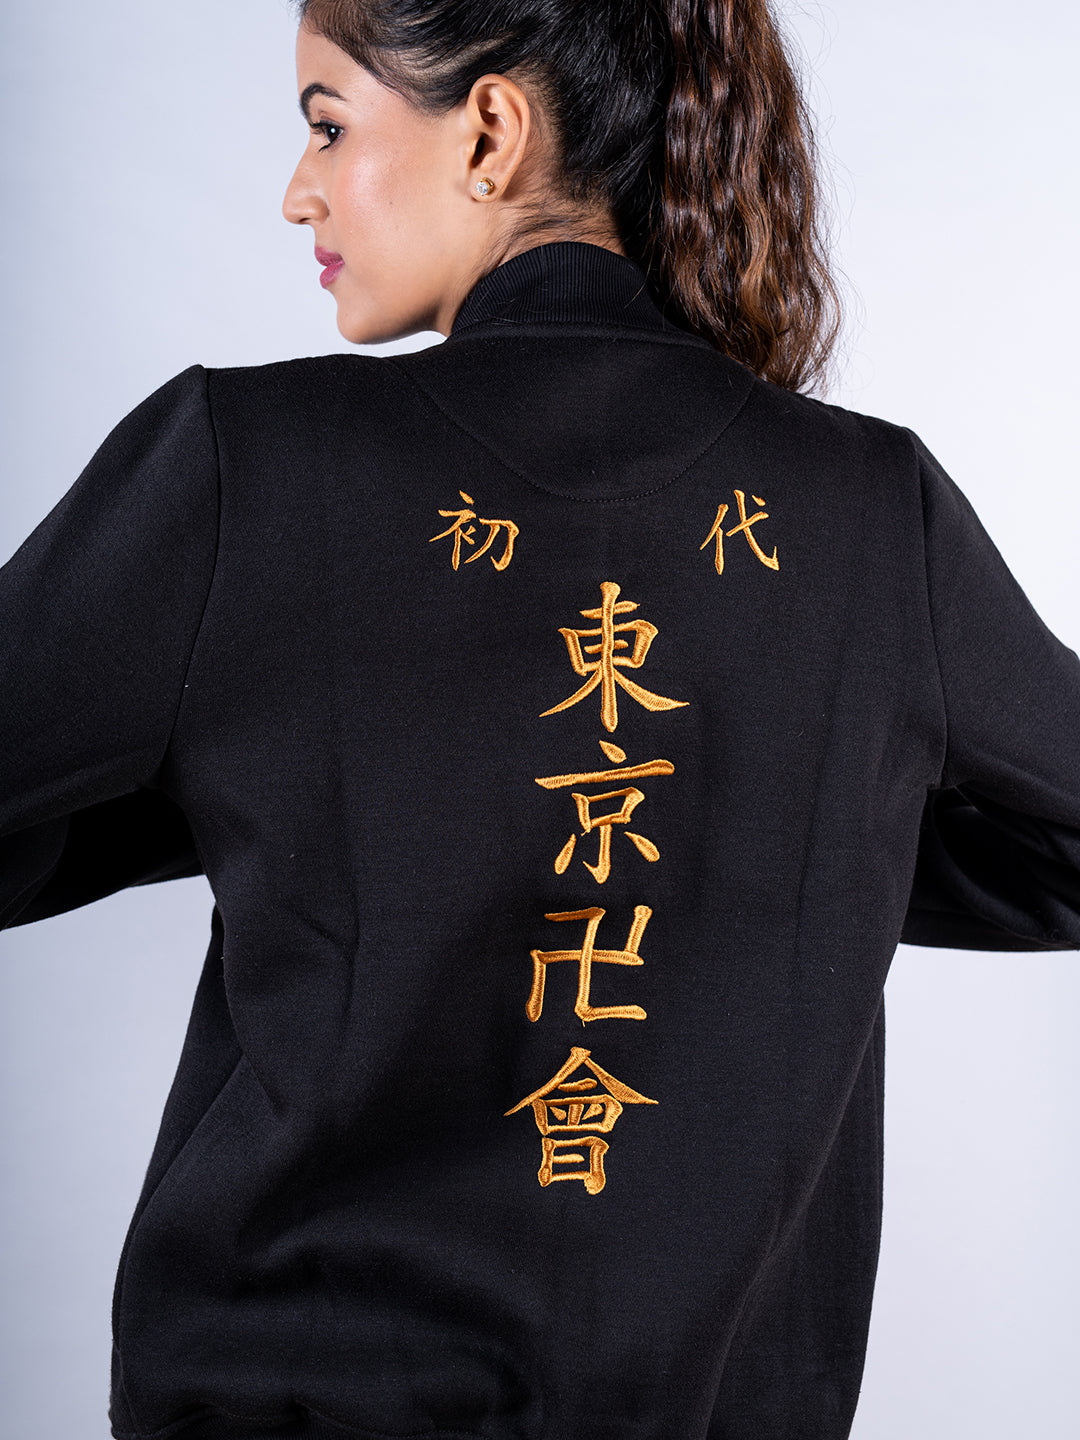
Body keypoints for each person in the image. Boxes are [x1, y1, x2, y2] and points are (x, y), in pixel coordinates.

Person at [1, 2, 1077, 1439]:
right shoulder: (873, 512)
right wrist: (777, 841)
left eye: (327, 124)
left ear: (492, 132)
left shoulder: (244, 468)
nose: (298, 191)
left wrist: (294, 792)